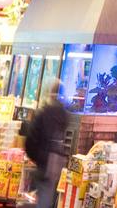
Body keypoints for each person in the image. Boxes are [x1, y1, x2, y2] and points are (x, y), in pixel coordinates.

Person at [21, 80, 73, 208]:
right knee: (48, 190)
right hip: (57, 159)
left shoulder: (43, 113)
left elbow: (31, 137)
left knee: (42, 191)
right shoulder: (64, 114)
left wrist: (34, 155)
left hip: (43, 159)